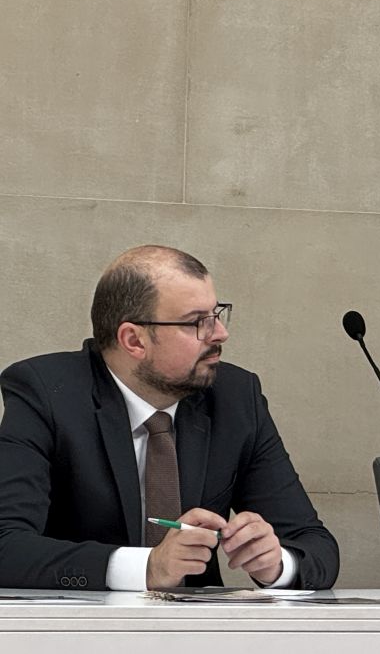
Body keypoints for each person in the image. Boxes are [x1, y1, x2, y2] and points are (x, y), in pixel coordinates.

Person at [0, 245, 339, 591]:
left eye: (217, 314)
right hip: (75, 622)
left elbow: (316, 547)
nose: (220, 333)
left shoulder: (235, 397)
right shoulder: (46, 393)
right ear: (134, 340)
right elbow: (6, 545)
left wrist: (277, 562)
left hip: (199, 624)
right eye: (197, 322)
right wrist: (146, 568)